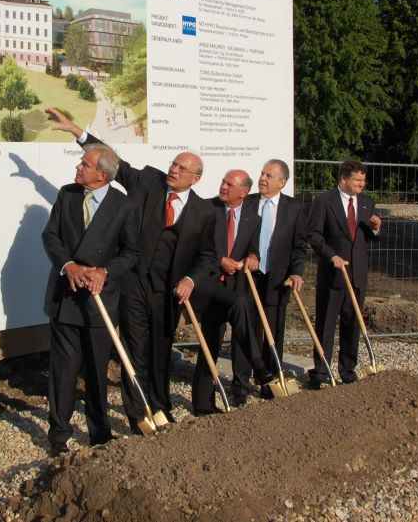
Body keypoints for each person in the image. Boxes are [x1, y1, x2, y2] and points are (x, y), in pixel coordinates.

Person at [45, 108, 272, 430]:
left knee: (161, 349)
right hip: (134, 284)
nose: (174, 170)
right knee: (136, 351)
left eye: (182, 168)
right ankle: (138, 415)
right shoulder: (147, 182)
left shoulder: (204, 212)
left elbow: (208, 255)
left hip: (169, 291)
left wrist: (191, 279)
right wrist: (78, 133)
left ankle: (160, 406)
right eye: (174, 164)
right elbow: (113, 163)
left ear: (196, 178)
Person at [41, 143, 139, 455]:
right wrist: (68, 266)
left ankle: (100, 435)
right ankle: (58, 436)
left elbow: (131, 253)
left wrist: (105, 272)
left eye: (84, 164)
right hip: (66, 298)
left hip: (100, 302)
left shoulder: (123, 206)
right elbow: (50, 236)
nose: (77, 167)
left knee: (97, 372)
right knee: (63, 372)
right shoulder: (67, 194)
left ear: (102, 174)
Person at [191, 169, 273, 413]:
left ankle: (235, 390)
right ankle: (205, 402)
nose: (223, 186)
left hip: (235, 284)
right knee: (211, 342)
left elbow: (253, 249)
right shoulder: (207, 210)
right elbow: (194, 246)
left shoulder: (252, 218)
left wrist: (252, 256)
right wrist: (219, 261)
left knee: (234, 335)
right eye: (223, 181)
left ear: (244, 192)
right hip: (209, 285)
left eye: (229, 183)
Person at [305, 160, 382, 387]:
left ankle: (348, 370)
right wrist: (331, 255)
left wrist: (376, 227)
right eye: (358, 180)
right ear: (344, 179)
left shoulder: (367, 203)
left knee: (353, 322)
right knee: (326, 324)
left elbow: (367, 236)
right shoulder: (324, 202)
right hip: (332, 274)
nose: (362, 184)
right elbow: (314, 235)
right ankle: (320, 372)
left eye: (364, 180)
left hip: (357, 274)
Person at [240, 160, 308, 394]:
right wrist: (250, 252)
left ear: (282, 182)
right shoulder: (247, 203)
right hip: (248, 276)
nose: (262, 178)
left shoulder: (294, 208)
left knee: (274, 329)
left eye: (268, 175)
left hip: (278, 279)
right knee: (245, 327)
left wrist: (297, 271)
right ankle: (240, 382)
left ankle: (269, 380)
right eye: (261, 173)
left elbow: (299, 246)